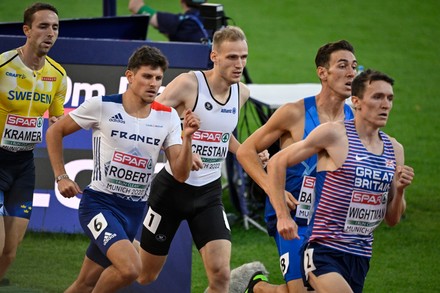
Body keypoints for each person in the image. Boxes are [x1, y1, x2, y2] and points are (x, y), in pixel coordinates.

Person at [45, 45, 200, 293]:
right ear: (130, 76)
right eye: (147, 76)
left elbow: (180, 173)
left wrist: (188, 139)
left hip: (134, 210)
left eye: (158, 78)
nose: (153, 83)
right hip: (99, 205)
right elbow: (55, 131)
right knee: (130, 268)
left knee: (84, 283)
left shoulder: (168, 116)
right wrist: (61, 175)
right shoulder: (103, 106)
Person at [136, 26, 263, 293]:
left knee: (220, 276)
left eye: (243, 57)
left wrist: (247, 151)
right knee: (145, 274)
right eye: (231, 57)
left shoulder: (241, 93)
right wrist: (181, 146)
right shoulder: (189, 83)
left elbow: (222, 135)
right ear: (214, 56)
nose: (239, 64)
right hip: (171, 191)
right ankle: (116, 251)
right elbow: (150, 118)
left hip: (209, 194)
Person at [267, 69, 414, 293]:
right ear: (356, 101)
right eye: (377, 97)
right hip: (323, 249)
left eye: (389, 98)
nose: (385, 105)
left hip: (360, 256)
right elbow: (277, 162)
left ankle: (257, 287)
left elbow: (392, 219)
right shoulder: (334, 135)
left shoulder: (395, 150)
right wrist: (282, 216)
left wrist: (401, 190)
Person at [237, 40, 357, 293]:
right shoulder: (295, 113)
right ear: (322, 73)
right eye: (343, 66)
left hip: (328, 220)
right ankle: (256, 287)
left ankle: (256, 288)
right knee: (301, 289)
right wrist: (273, 190)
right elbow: (246, 151)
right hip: (292, 213)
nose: (351, 73)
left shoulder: (353, 120)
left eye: (354, 66)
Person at [0, 2, 66, 285]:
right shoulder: (2, 66)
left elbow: (58, 118)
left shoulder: (58, 75)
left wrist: (59, 124)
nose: (50, 33)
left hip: (24, 165)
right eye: (43, 26)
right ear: (27, 30)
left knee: (9, 252)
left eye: (55, 27)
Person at [128, 0, 209, 43]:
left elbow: (135, 6)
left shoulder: (178, 23)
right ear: (206, 2)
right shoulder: (218, 21)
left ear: (182, 2)